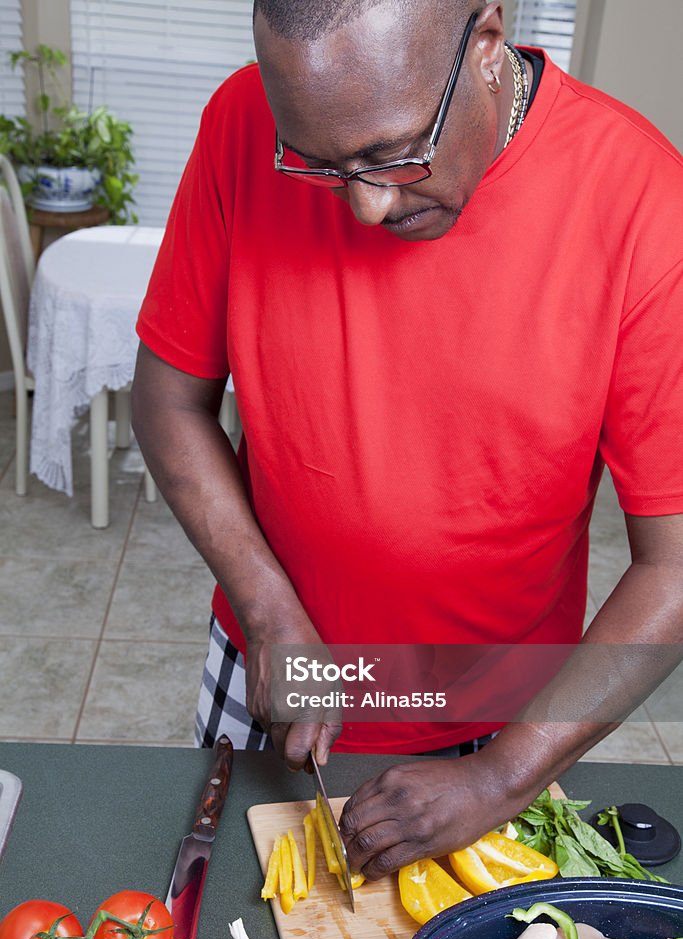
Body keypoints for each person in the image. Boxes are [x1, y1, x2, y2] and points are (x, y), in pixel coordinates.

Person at [132, 0, 683, 881]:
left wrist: (503, 778)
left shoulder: (644, 205)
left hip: (501, 711)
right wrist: (269, 610)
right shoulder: (245, 121)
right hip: (279, 667)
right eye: (319, 167)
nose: (365, 207)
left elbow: (675, 565)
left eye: (394, 154)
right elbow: (168, 403)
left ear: (489, 45)